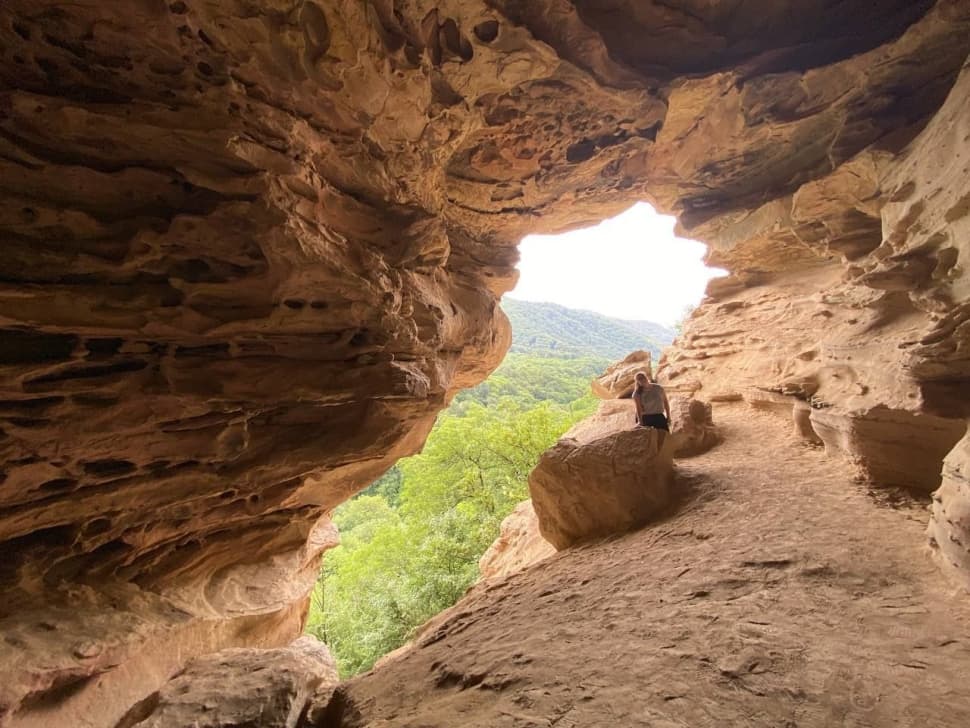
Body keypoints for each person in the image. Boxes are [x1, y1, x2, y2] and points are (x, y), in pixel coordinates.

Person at [632, 371, 670, 445]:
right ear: (637, 382)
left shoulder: (658, 388)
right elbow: (638, 409)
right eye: (639, 379)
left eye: (642, 377)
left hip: (658, 416)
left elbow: (666, 402)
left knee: (665, 438)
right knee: (647, 441)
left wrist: (668, 416)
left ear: (646, 377)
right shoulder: (637, 394)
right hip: (646, 417)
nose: (641, 380)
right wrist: (640, 422)